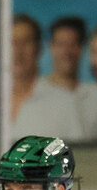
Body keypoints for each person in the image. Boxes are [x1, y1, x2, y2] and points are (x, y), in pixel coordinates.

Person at [11, 14, 84, 142]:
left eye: (26, 42)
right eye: (13, 43)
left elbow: (78, 156)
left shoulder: (63, 102)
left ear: (38, 49)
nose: (18, 51)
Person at [43, 16, 97, 142]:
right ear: (51, 46)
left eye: (72, 44)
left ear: (82, 48)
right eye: (61, 44)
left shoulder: (94, 95)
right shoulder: (35, 94)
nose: (66, 52)